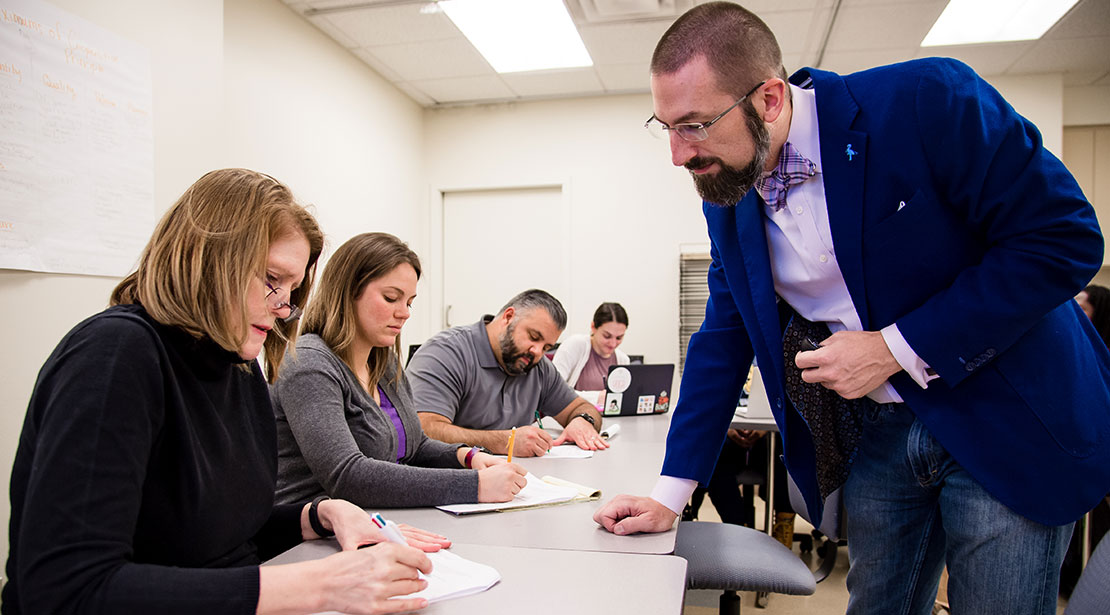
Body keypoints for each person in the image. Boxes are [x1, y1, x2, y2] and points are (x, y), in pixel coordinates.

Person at [593, 4, 1110, 615]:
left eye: (696, 126)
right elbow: (723, 338)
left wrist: (895, 347)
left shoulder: (926, 101)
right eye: (667, 126)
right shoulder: (728, 193)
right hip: (880, 434)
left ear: (770, 98)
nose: (677, 155)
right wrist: (669, 495)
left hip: (1004, 413)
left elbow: (1064, 238)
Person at [3, 169, 450, 615]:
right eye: (273, 278)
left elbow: (221, 536)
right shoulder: (116, 355)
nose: (283, 307)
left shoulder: (236, 367)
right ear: (208, 257)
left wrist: (319, 515)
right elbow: (66, 590)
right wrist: (317, 586)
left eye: (293, 289)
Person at [271, 232, 528, 508]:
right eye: (391, 298)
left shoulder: (383, 362)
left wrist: (467, 457)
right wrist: (474, 486)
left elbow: (415, 447)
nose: (405, 312)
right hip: (307, 534)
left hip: (372, 517)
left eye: (409, 302)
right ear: (347, 293)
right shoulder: (309, 364)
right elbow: (347, 476)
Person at [408, 289, 609, 457]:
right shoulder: (446, 352)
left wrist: (582, 421)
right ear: (508, 317)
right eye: (533, 337)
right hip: (452, 482)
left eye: (547, 347)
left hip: (518, 485)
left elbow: (582, 407)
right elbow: (423, 429)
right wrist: (507, 442)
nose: (538, 352)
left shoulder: (536, 367)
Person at [552, 301, 630, 391]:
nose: (613, 343)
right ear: (593, 327)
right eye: (607, 336)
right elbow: (554, 390)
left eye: (619, 338)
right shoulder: (575, 345)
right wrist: (598, 397)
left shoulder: (623, 360)